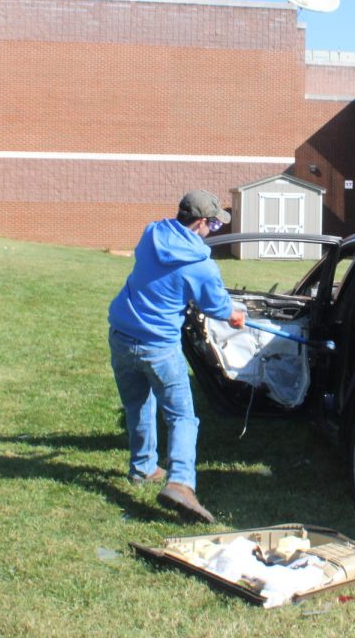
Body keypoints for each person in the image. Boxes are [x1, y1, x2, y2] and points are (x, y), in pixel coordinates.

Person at [107, 190, 245, 524]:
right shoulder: (201, 266)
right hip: (159, 347)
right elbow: (217, 307)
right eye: (212, 223)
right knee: (182, 417)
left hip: (121, 336)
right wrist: (234, 314)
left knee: (138, 404)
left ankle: (142, 468)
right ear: (199, 223)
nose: (213, 230)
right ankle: (181, 483)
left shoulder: (152, 233)